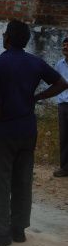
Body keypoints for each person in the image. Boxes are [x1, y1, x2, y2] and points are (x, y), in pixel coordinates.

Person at [0, 19, 68, 246]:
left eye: (5, 33)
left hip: (4, 131)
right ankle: (18, 230)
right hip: (27, 130)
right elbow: (62, 83)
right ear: (25, 40)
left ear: (7, 38)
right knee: (22, 179)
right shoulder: (35, 63)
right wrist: (37, 97)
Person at [53, 36, 68, 177]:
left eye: (67, 45)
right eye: (64, 46)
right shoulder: (59, 64)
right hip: (63, 105)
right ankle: (64, 168)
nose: (65, 48)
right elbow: (56, 83)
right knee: (64, 137)